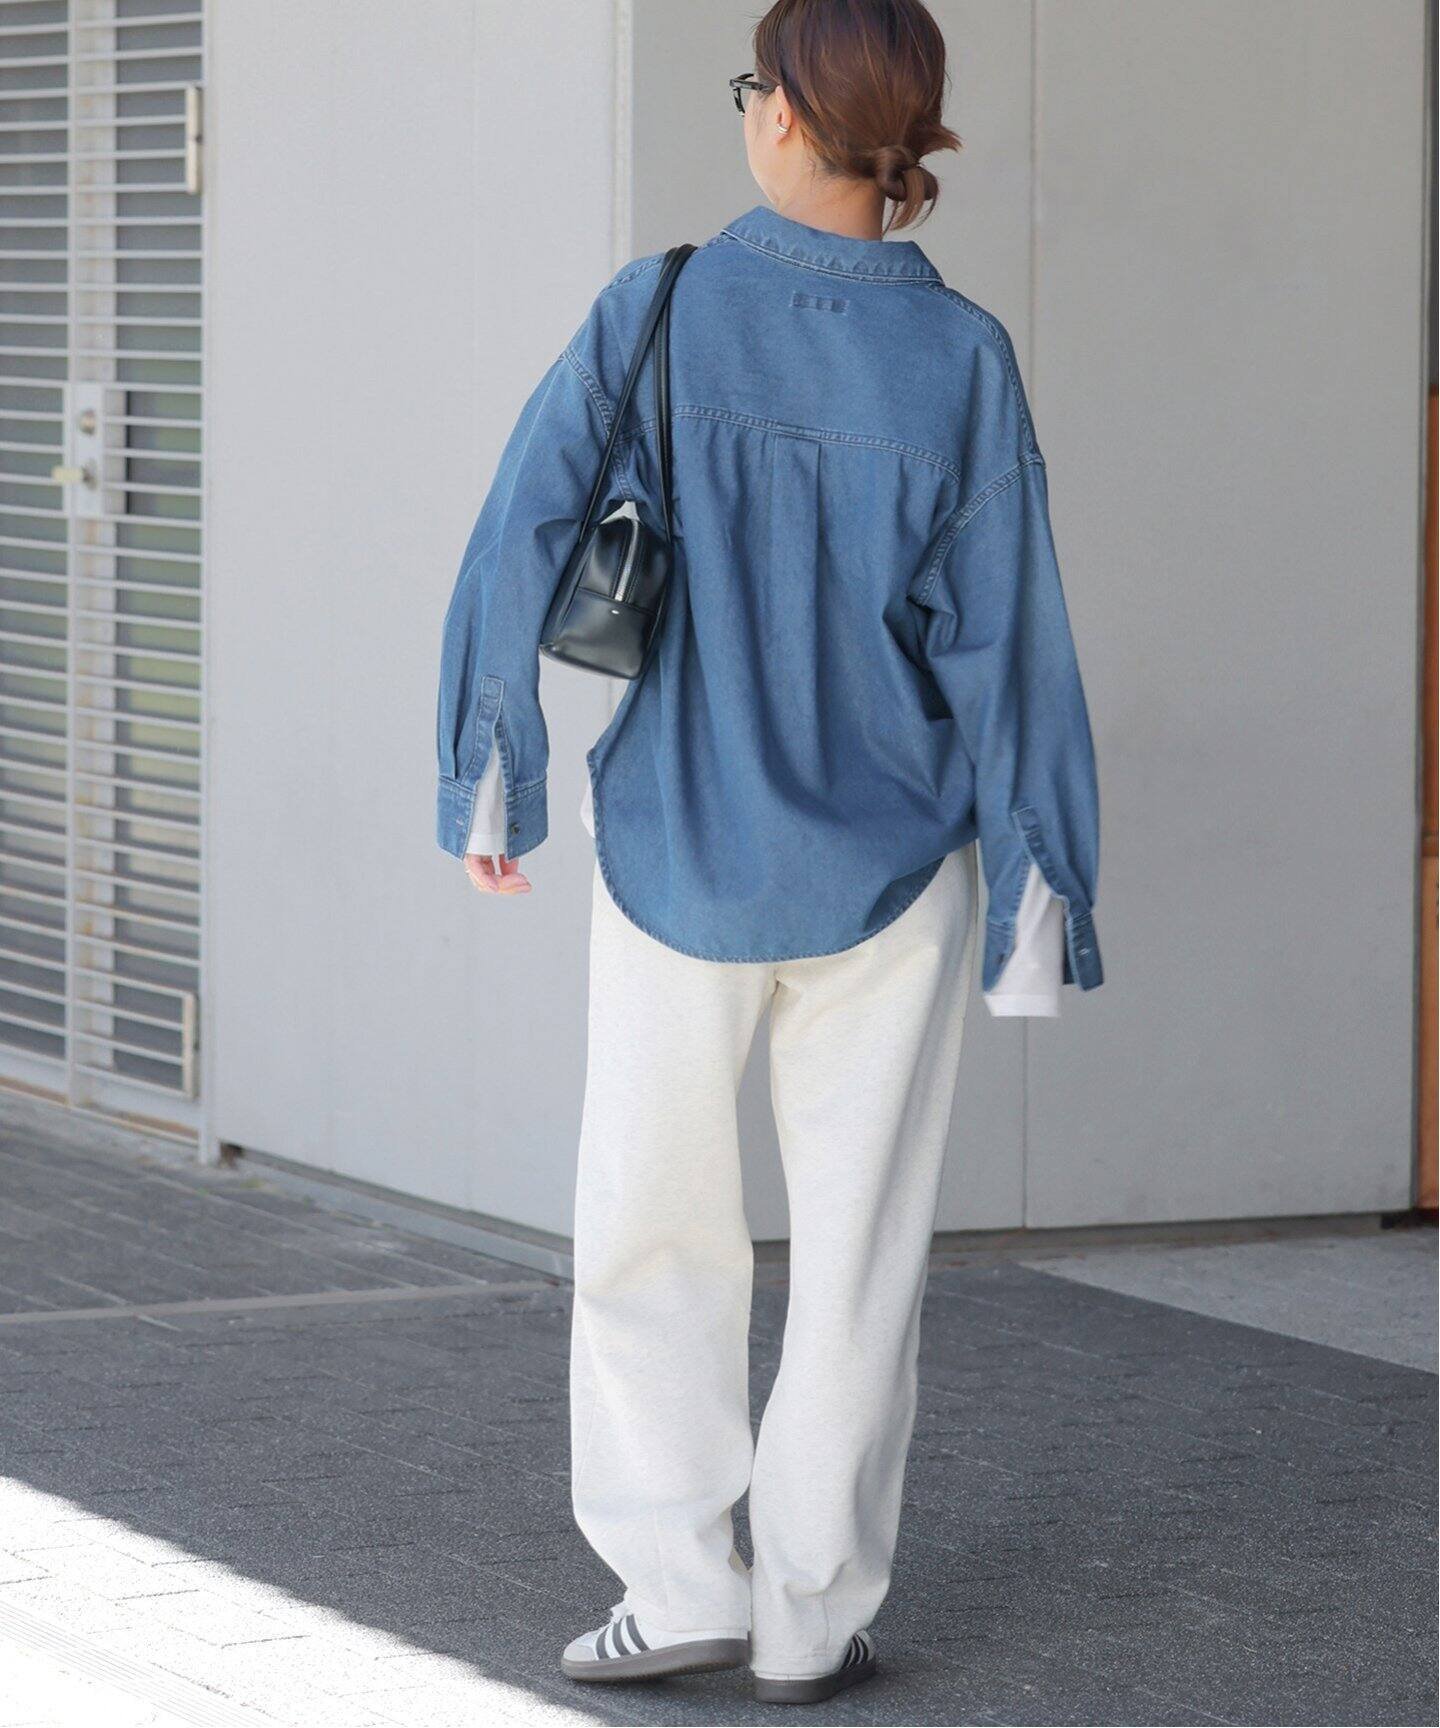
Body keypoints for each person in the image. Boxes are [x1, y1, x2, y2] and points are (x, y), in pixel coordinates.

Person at [434, 0, 1102, 1704]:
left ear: (790, 118)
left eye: (755, 88)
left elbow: (520, 532)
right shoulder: (963, 360)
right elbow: (1013, 643)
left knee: (649, 1229)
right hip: (897, 873)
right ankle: (810, 1614)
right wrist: (1039, 890)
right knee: (860, 1260)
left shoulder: (659, 306)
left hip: (680, 845)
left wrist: (494, 769)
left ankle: (678, 1591)